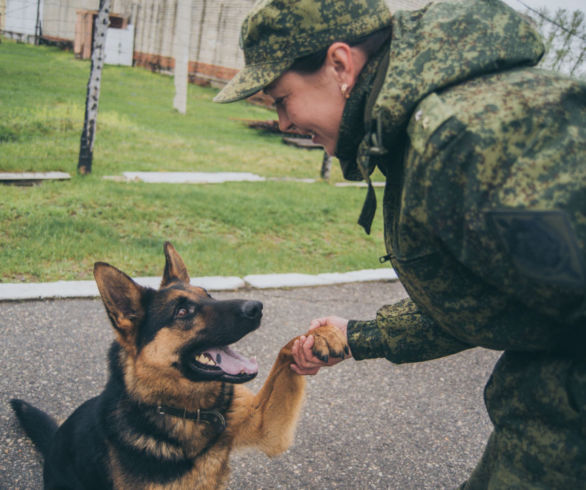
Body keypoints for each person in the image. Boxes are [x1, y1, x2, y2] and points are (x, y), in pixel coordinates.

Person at [214, 0, 586, 487]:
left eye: (282, 98)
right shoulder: (423, 134)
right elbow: (498, 295)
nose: (283, 121)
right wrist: (358, 336)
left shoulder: (465, 142)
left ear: (340, 65)